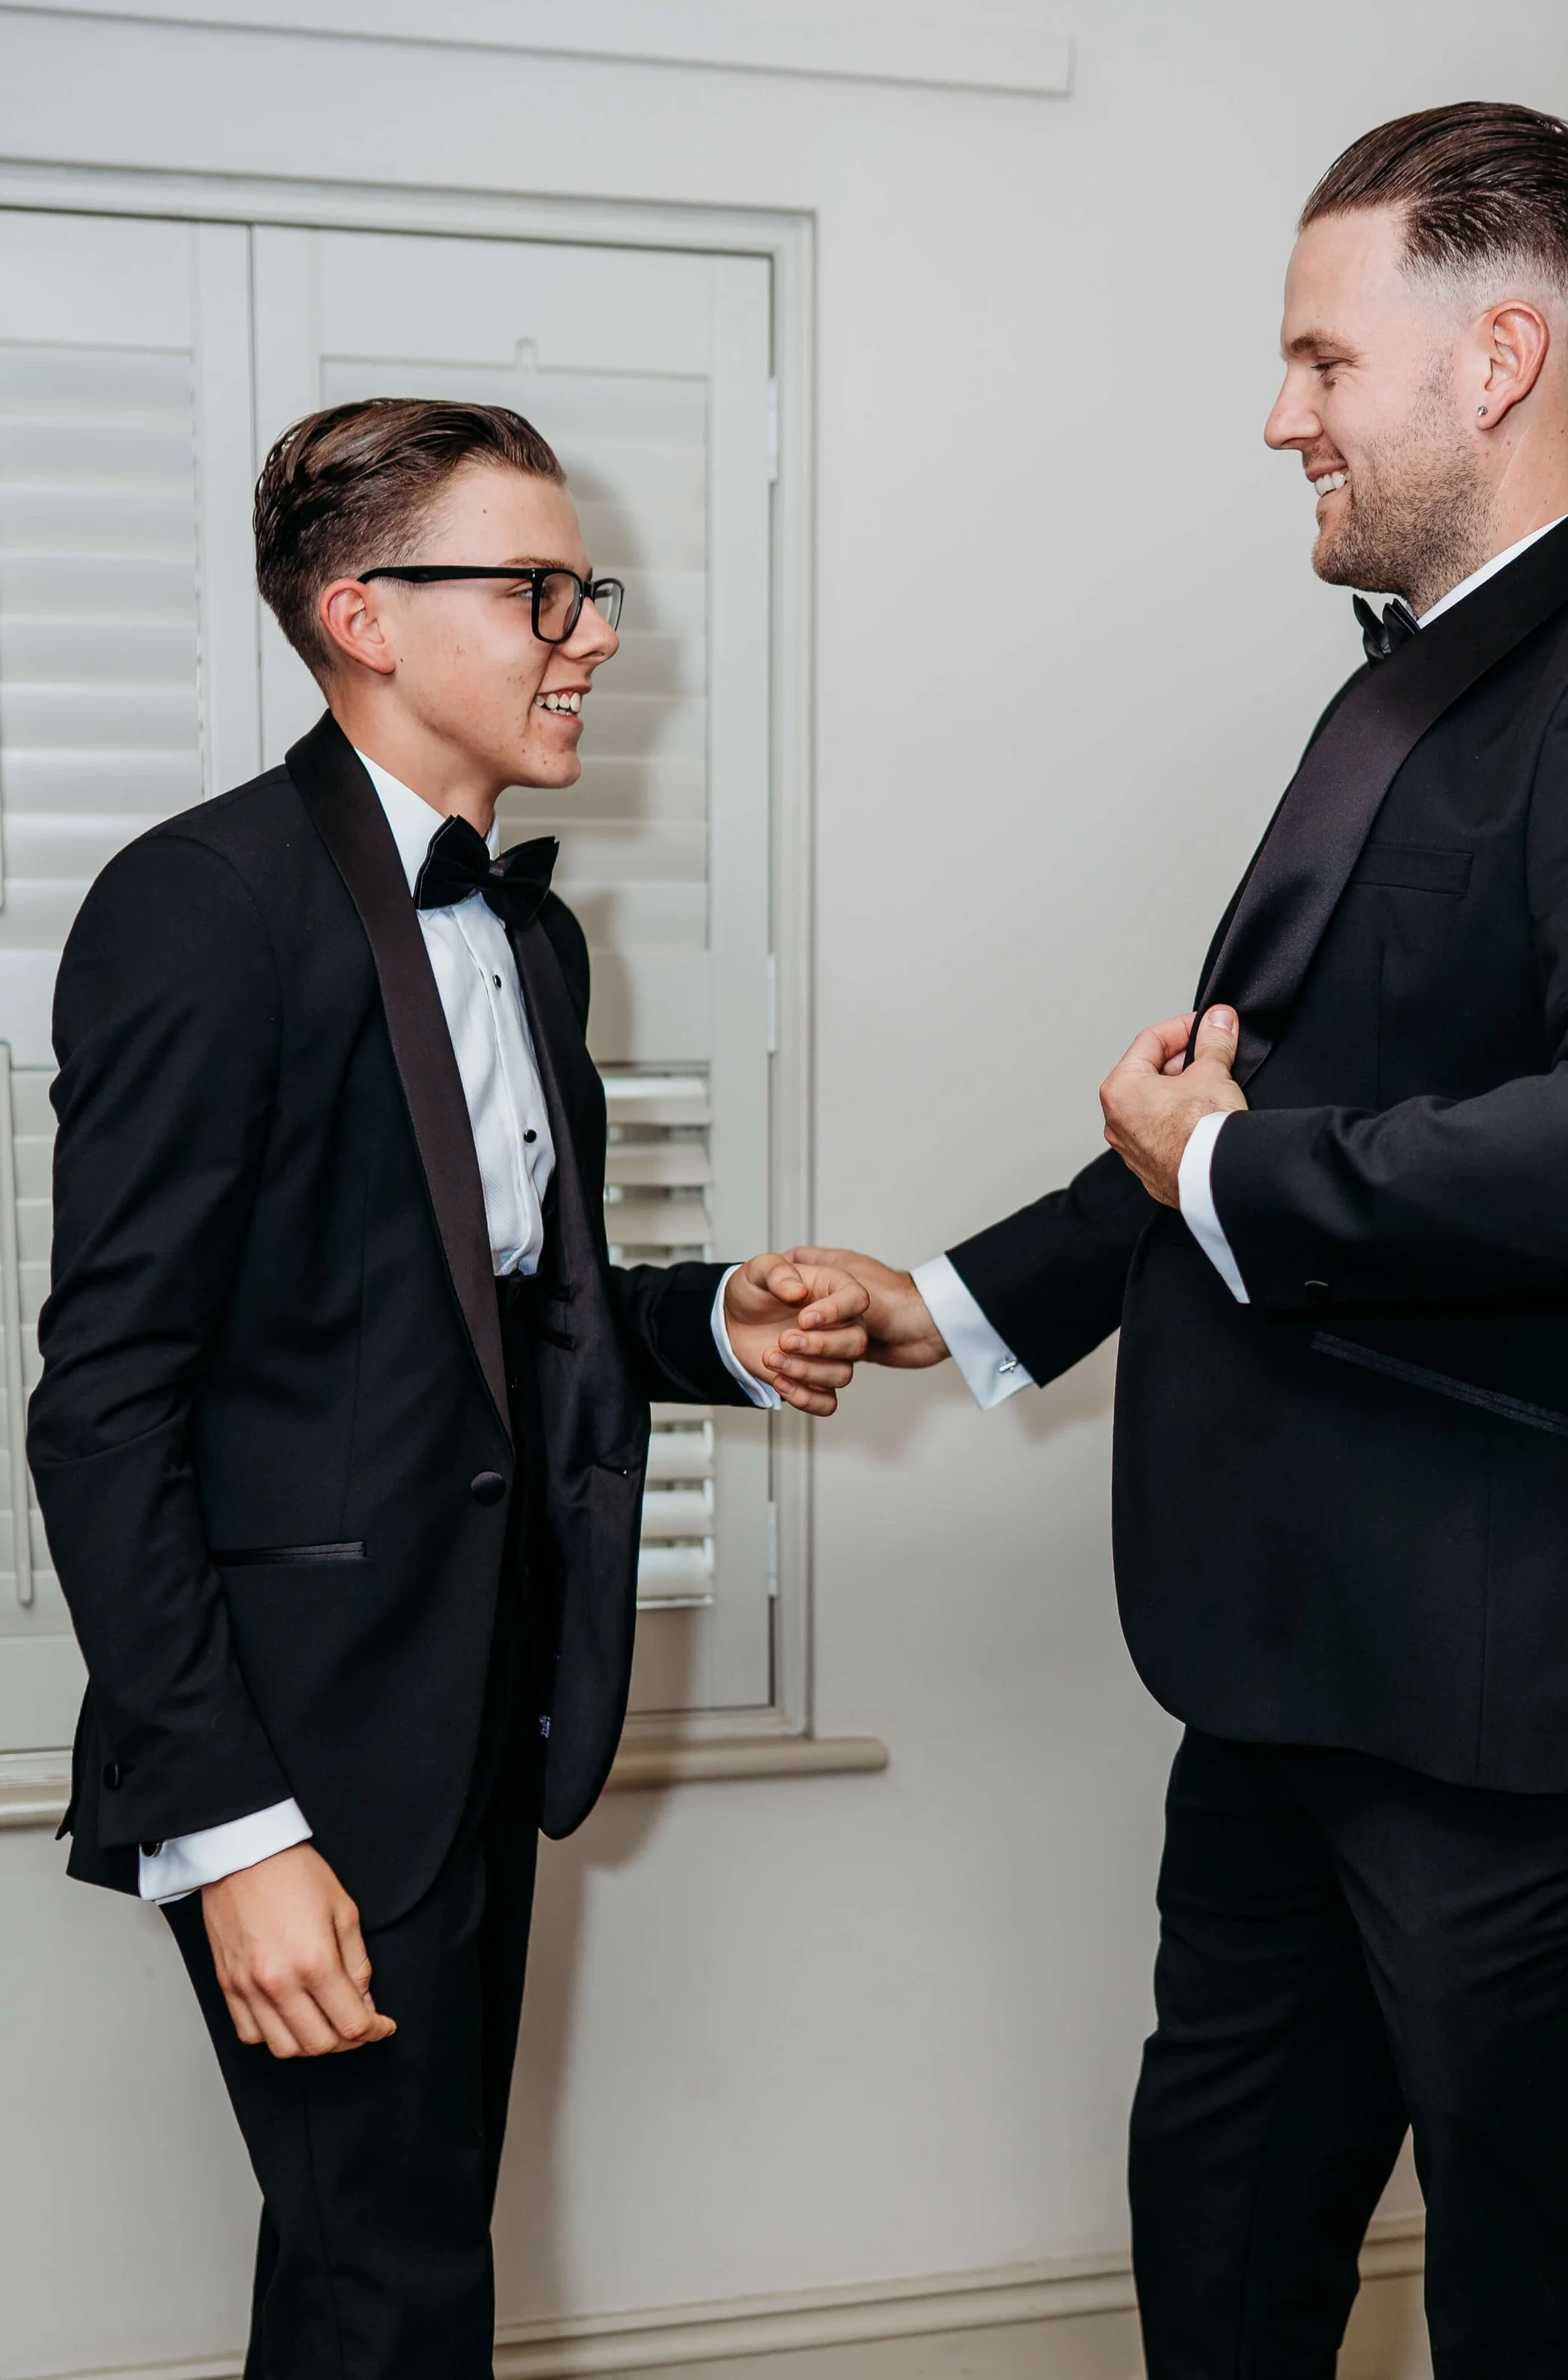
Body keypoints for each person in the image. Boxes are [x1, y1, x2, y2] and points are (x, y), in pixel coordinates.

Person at [798, 104, 1568, 2378]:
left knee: (1533, 2316)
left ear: (1498, 357)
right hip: (1280, 1674)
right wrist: (954, 1301)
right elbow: (1253, 1110)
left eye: (1321, 357)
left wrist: (1231, 1172)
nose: (1282, 414)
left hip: (1513, 1703)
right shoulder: (1407, 681)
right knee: (1220, 2271)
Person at [27, 399, 869, 2377]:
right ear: (364, 618)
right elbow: (103, 1404)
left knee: (372, 2270)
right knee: (399, 2287)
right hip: (293, 1745)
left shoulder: (530, 936)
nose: (594, 633)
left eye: (589, 588)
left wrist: (712, 1327)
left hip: (479, 1697)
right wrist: (238, 1832)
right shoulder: (203, 904)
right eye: (539, 590)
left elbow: (488, 1315)